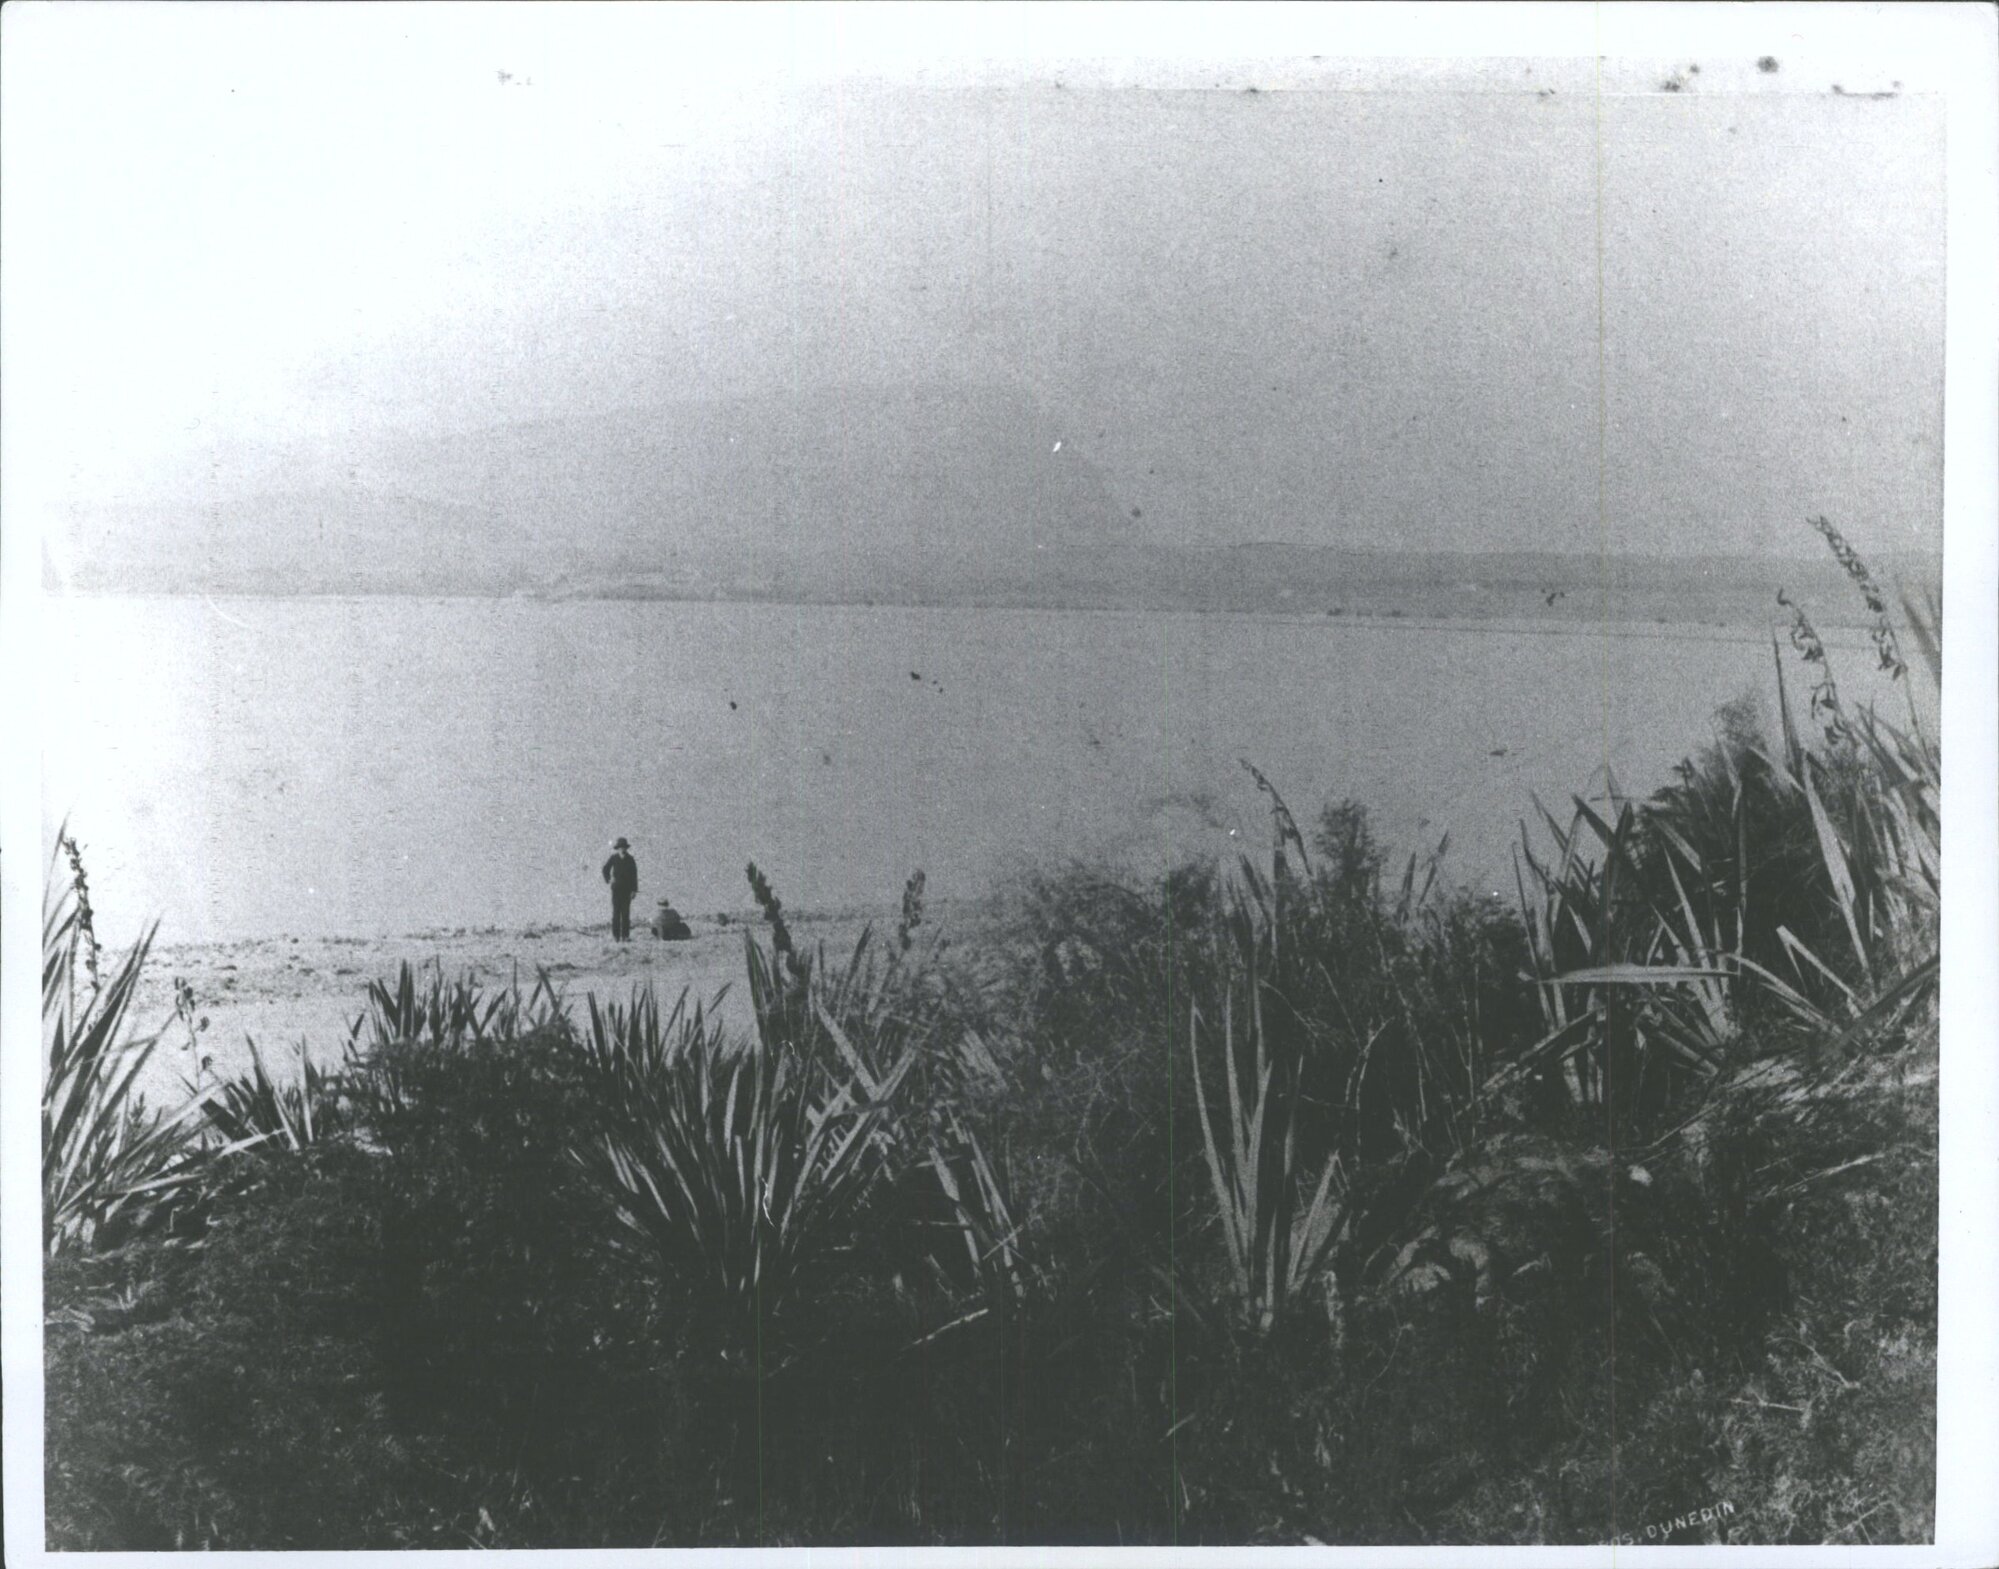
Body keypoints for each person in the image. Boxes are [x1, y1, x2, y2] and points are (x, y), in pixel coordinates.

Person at [602, 837, 639, 941]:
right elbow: (605, 869)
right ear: (617, 848)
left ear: (626, 848)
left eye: (624, 847)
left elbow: (634, 875)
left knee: (626, 914)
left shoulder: (630, 859)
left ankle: (625, 936)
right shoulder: (613, 858)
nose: (622, 849)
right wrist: (609, 879)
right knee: (616, 914)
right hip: (616, 890)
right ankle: (616, 937)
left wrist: (634, 890)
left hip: (627, 891)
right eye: (620, 847)